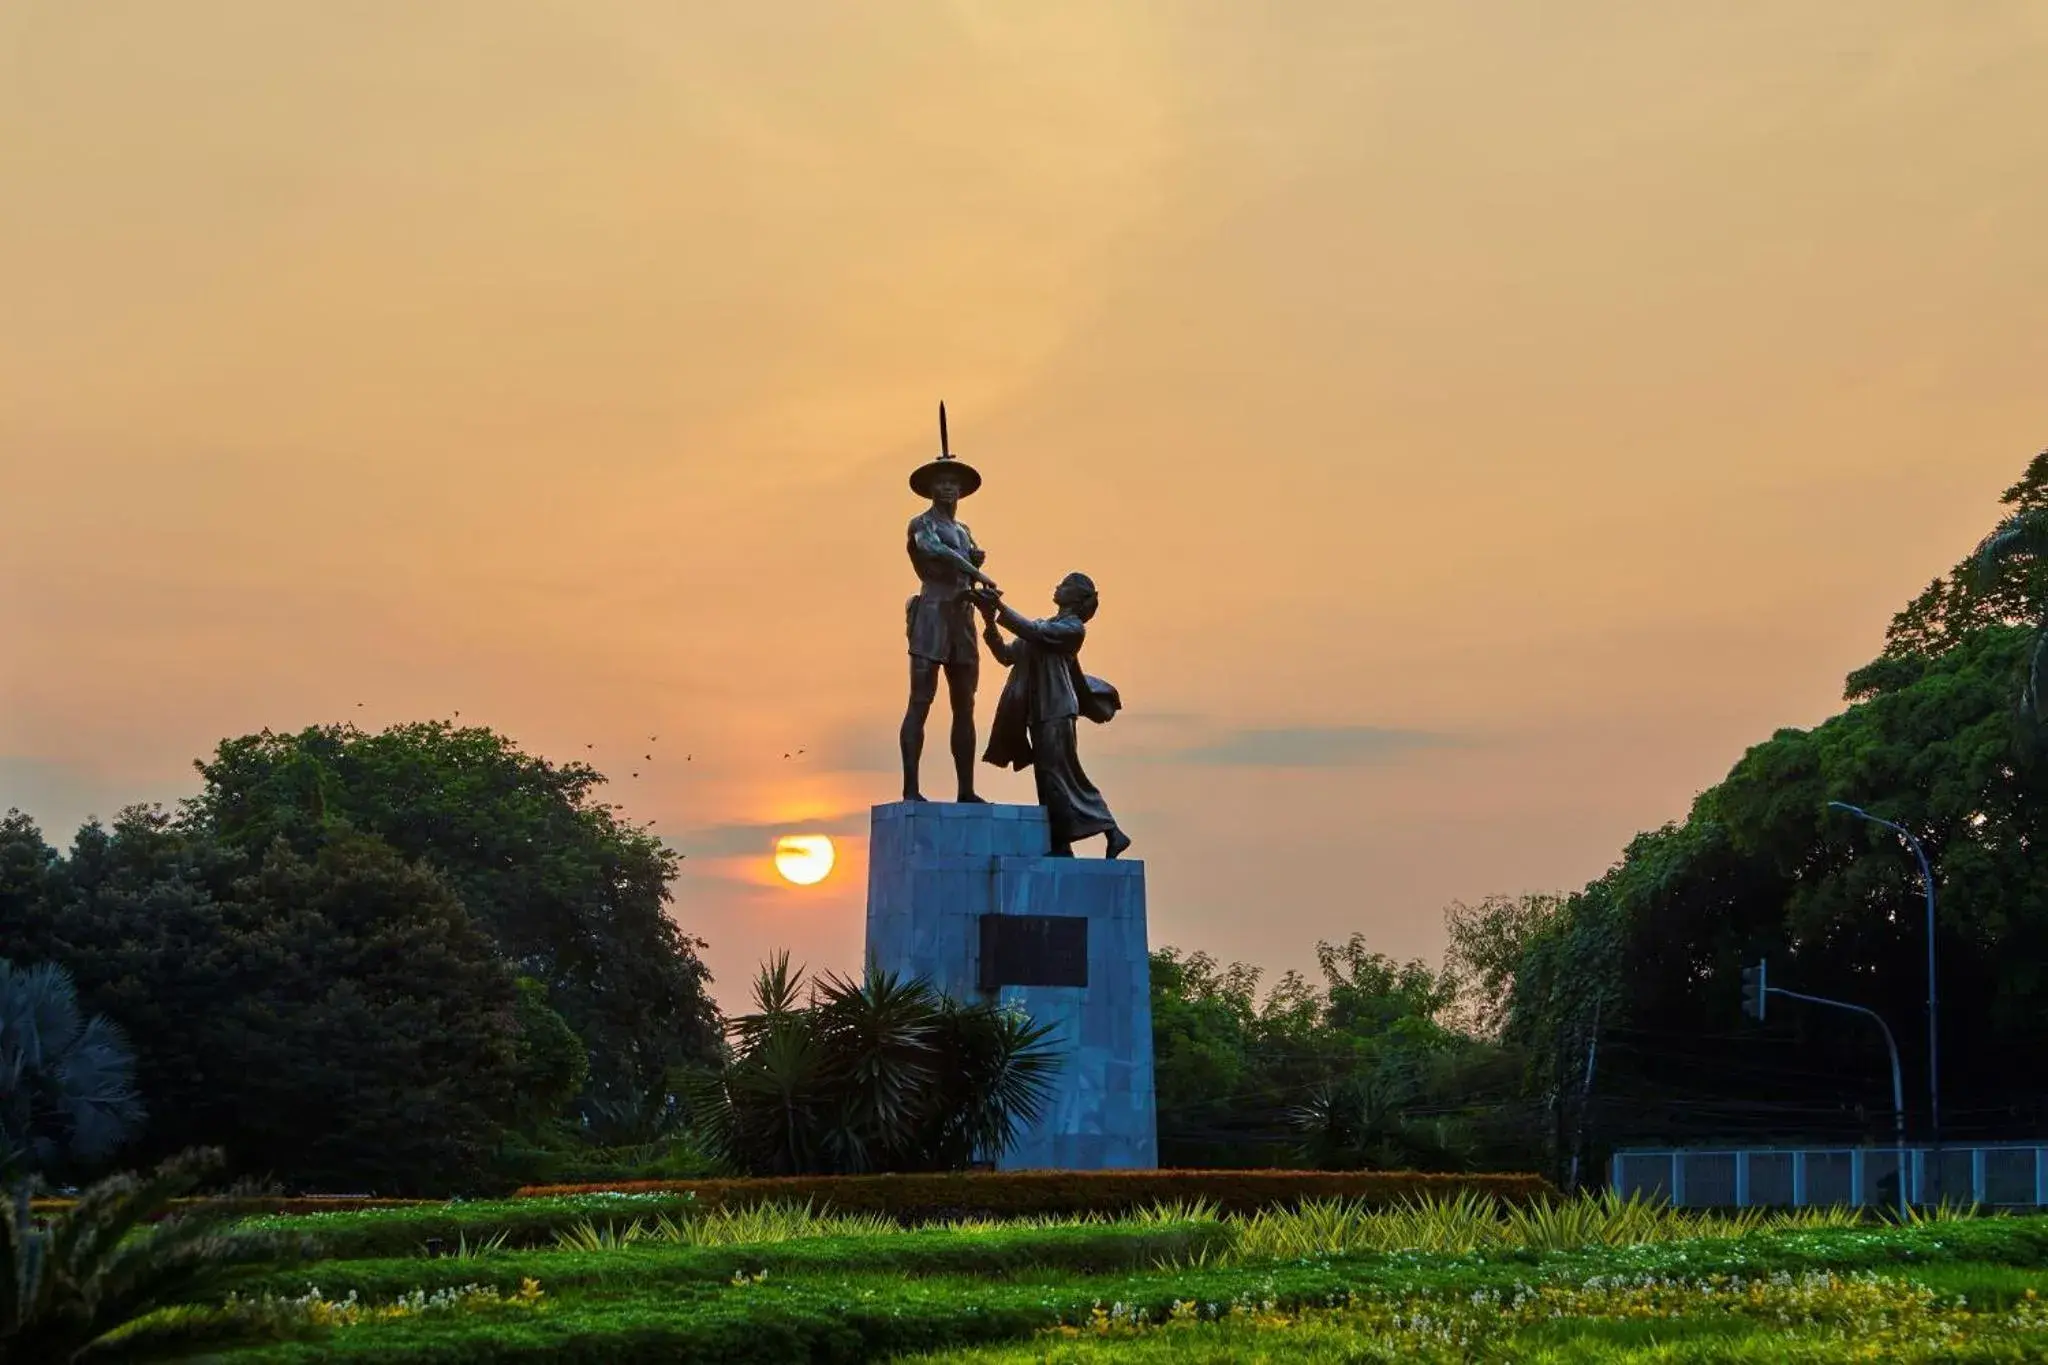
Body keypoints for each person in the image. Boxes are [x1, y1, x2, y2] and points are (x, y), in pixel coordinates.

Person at [974, 573, 1131, 858]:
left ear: (1075, 596)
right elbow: (1007, 655)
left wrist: (1000, 609)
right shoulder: (1046, 626)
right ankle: (1060, 844)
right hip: (1038, 712)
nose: (1057, 585)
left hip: (1057, 709)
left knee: (1064, 776)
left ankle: (1112, 831)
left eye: (1065, 584)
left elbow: (1031, 632)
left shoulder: (1072, 630)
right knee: (1048, 781)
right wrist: (988, 619)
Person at [900, 451, 998, 802]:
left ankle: (966, 790)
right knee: (921, 700)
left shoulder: (965, 530)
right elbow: (937, 552)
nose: (947, 488)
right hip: (932, 614)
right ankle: (911, 789)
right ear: (930, 489)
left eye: (952, 483)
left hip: (962, 618)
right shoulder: (921, 524)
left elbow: (961, 558)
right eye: (941, 482)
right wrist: (977, 572)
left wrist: (974, 563)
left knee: (965, 704)